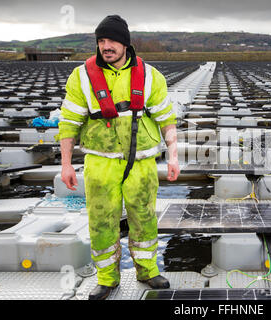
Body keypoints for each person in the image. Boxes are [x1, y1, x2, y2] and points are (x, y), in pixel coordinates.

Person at [56, 15, 180, 300]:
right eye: (101, 41)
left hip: (142, 163)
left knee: (145, 217)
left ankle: (148, 271)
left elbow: (167, 119)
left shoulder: (150, 76)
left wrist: (173, 156)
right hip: (100, 163)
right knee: (100, 221)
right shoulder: (81, 76)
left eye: (111, 40)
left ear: (126, 43)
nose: (106, 46)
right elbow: (68, 122)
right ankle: (107, 279)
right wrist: (65, 164)